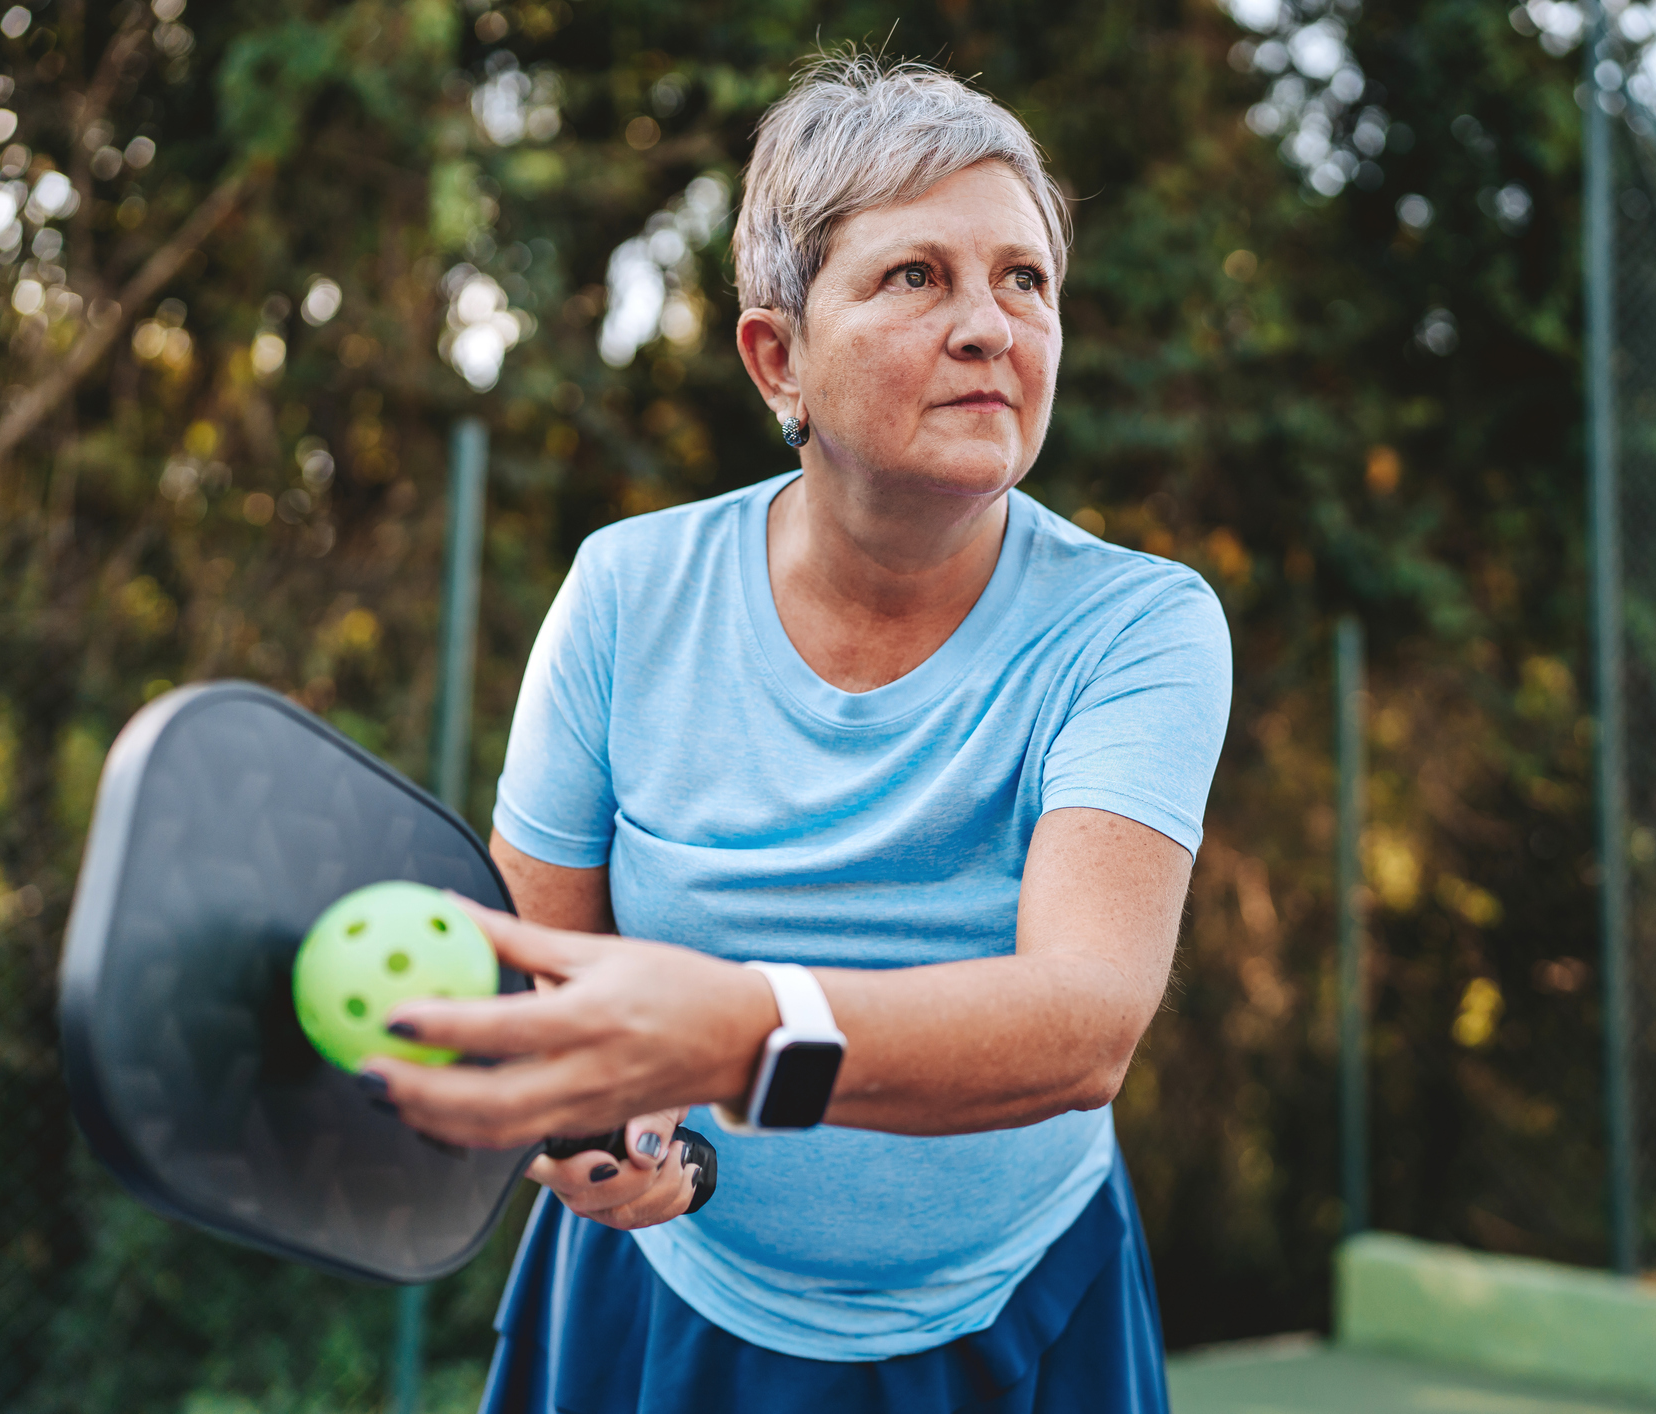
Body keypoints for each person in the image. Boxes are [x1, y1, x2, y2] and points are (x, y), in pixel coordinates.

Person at [360, 53, 1232, 1413]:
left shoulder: (1140, 626)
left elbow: (1082, 1023)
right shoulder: (623, 594)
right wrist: (596, 1131)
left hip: (1018, 1313)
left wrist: (730, 1037)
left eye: (1024, 280)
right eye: (913, 276)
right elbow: (540, 969)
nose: (989, 325)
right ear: (778, 356)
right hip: (660, 1299)